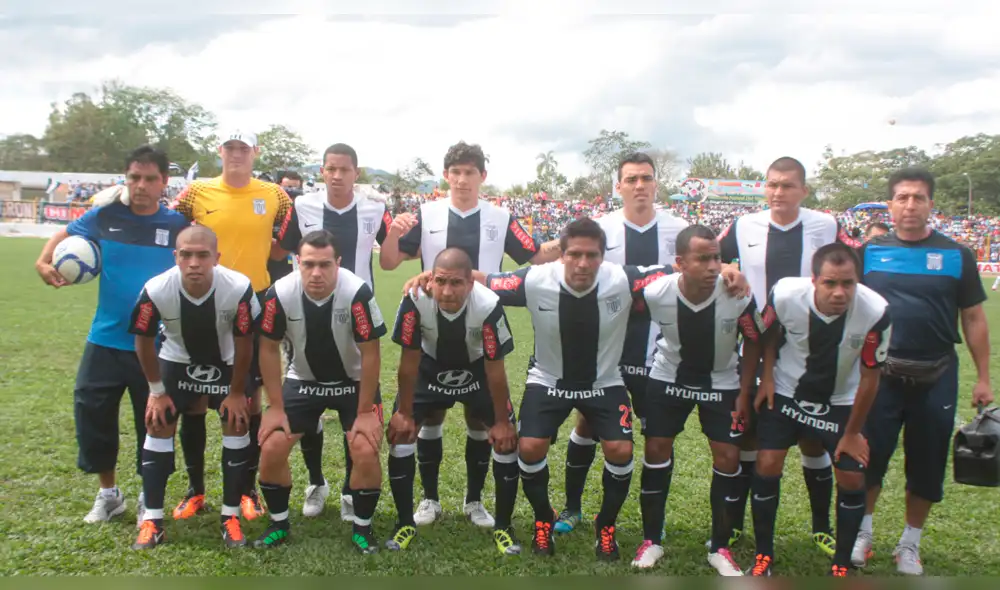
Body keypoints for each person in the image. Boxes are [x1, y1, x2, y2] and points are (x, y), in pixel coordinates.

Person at [379, 140, 560, 529]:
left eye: (470, 172)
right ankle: (429, 499)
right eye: (456, 172)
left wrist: (578, 242)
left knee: (482, 423)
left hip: (482, 332)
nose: (462, 179)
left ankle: (474, 501)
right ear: (446, 176)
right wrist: (393, 233)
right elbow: (391, 261)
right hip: (433, 329)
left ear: (482, 177)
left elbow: (536, 255)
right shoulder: (427, 213)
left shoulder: (500, 217)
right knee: (431, 417)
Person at [483, 217, 670, 561]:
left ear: (603, 256)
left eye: (592, 255)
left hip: (604, 382)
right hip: (549, 380)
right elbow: (482, 280)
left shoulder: (623, 278)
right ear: (561, 255)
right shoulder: (535, 279)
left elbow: (678, 271)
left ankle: (606, 526)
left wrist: (726, 271)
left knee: (619, 449)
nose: (583, 263)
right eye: (575, 254)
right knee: (530, 445)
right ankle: (543, 518)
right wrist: (427, 276)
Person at [35, 146, 189, 525]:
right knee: (93, 415)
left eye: (149, 178)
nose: (140, 186)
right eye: (134, 178)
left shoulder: (176, 226)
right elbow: (63, 234)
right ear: (125, 180)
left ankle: (146, 495)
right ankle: (109, 494)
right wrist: (43, 261)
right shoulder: (104, 216)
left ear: (163, 182)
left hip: (156, 346)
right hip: (104, 339)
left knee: (153, 423)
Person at [716, 156, 861, 556]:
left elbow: (854, 264)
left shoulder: (826, 226)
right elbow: (716, 255)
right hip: (751, 344)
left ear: (804, 191)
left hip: (808, 349)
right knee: (748, 431)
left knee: (813, 439)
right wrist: (730, 267)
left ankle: (821, 528)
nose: (778, 193)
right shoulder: (745, 225)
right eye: (772, 185)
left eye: (787, 186)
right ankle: (733, 526)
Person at [852, 167, 993, 575]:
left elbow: (973, 317)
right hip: (879, 374)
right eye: (902, 198)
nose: (910, 205)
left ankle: (909, 544)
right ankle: (863, 533)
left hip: (936, 373)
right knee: (867, 455)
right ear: (891, 205)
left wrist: (983, 377)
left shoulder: (957, 255)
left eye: (918, 198)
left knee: (927, 461)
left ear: (931, 204)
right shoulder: (869, 252)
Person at [552, 152, 690, 536]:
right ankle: (573, 507)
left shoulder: (678, 229)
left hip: (658, 349)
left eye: (646, 178)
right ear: (618, 186)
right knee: (586, 424)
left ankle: (654, 521)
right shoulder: (600, 228)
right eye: (631, 179)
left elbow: (706, 264)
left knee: (658, 435)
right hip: (606, 347)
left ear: (656, 184)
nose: (639, 186)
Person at [275, 143, 405, 520]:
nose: (336, 175)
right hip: (307, 313)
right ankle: (316, 482)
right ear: (321, 171)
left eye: (344, 169)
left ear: (356, 173)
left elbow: (392, 259)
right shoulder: (303, 207)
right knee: (307, 396)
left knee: (358, 400)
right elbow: (280, 250)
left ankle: (352, 487)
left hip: (357, 316)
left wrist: (395, 233)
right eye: (330, 168)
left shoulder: (374, 208)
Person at [170, 129, 292, 523]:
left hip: (253, 302)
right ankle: (196, 490)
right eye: (230, 148)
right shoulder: (195, 192)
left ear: (255, 152)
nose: (236, 154)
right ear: (219, 151)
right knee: (193, 396)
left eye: (244, 148)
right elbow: (170, 225)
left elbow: (284, 242)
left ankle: (246, 490)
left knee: (248, 399)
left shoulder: (275, 194)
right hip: (200, 301)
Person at [747, 243, 891, 577]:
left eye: (848, 284)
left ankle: (841, 563)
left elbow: (871, 379)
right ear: (813, 280)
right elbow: (766, 333)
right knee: (767, 462)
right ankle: (763, 555)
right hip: (786, 392)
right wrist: (766, 377)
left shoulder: (877, 311)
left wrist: (853, 433)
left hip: (841, 401)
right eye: (830, 283)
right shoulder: (784, 294)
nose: (840, 292)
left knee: (853, 476)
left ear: (858, 281)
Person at [628, 225, 764, 575]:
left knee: (728, 456)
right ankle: (651, 540)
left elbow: (754, 343)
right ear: (679, 263)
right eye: (702, 259)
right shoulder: (657, 292)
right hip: (668, 377)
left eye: (717, 258)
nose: (713, 267)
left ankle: (720, 547)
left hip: (721, 382)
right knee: (656, 450)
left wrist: (745, 393)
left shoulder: (738, 295)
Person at [252, 230, 387, 554]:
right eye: (308, 264)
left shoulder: (356, 292)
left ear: (338, 263)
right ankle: (279, 523)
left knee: (365, 449)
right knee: (271, 447)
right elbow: (268, 348)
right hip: (304, 380)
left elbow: (371, 352)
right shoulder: (280, 292)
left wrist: (367, 412)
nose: (316, 273)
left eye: (325, 264)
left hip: (353, 383)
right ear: (297, 262)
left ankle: (362, 530)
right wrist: (275, 406)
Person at [128, 225, 259, 549]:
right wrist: (156, 391)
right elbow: (142, 340)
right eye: (186, 255)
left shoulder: (238, 287)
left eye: (202, 255)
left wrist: (237, 392)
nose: (194, 263)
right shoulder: (156, 288)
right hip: (177, 359)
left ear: (217, 257)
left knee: (236, 421)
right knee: (157, 423)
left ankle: (231, 517)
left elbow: (246, 342)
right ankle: (153, 520)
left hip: (227, 363)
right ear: (176, 256)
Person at [386, 248, 520, 555]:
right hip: (430, 369)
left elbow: (495, 371)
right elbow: (408, 364)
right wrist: (404, 413)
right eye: (441, 282)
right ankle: (412, 515)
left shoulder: (488, 305)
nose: (447, 291)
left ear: (470, 284)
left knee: (503, 438)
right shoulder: (414, 300)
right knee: (404, 432)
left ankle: (491, 516)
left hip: (476, 372)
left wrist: (501, 422)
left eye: (457, 283)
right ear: (430, 280)